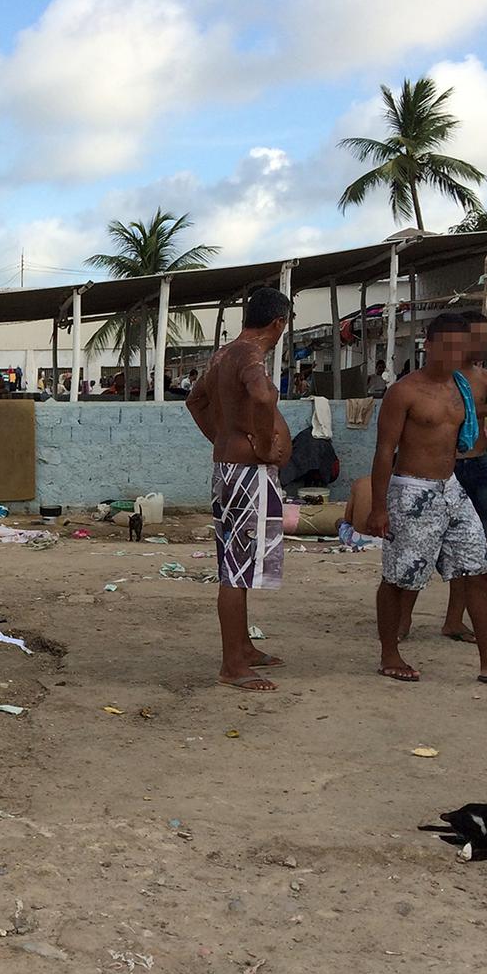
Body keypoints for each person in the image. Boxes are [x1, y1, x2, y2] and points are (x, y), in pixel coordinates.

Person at [367, 311, 487, 684]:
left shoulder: (461, 386)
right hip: (412, 490)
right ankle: (389, 654)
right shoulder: (404, 391)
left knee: (478, 568)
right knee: (401, 576)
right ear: (427, 345)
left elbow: (470, 416)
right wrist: (379, 507)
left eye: (458, 347)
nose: (451, 353)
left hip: (451, 489)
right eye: (444, 345)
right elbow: (384, 450)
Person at [185, 286, 293, 691]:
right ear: (278, 323)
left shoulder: (224, 354)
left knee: (239, 565)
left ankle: (243, 648)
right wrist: (264, 445)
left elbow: (195, 401)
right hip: (247, 474)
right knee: (236, 569)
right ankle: (233, 664)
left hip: (230, 467)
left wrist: (221, 439)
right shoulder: (250, 355)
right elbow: (262, 396)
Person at [400, 310, 487, 643]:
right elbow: (459, 410)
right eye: (478, 337)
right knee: (419, 548)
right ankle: (401, 620)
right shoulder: (434, 381)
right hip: (438, 470)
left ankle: (454, 620)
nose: (484, 343)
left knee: (473, 548)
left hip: (477, 465)